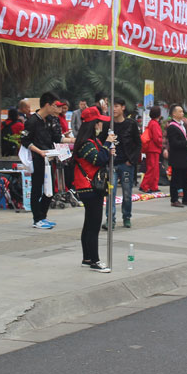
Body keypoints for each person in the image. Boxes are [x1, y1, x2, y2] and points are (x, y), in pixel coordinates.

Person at [72, 107, 114, 272]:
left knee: (89, 223)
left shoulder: (92, 141)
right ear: (93, 124)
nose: (100, 125)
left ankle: (87, 258)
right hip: (88, 187)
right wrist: (108, 144)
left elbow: (103, 157)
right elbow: (98, 159)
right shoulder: (86, 144)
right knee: (94, 225)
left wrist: (108, 149)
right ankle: (95, 261)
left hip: (89, 186)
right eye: (98, 122)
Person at [21, 93, 61, 230]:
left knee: (50, 189)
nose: (56, 108)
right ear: (47, 105)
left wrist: (71, 139)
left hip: (50, 159)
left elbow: (56, 138)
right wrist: (39, 151)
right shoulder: (32, 121)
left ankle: (43, 216)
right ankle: (37, 218)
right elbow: (25, 141)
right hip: (38, 159)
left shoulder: (50, 120)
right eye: (54, 105)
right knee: (37, 189)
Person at [99, 98, 140, 229]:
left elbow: (138, 144)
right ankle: (110, 219)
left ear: (123, 107)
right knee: (110, 193)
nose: (114, 109)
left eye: (116, 106)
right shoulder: (108, 125)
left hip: (126, 164)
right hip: (111, 164)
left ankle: (126, 216)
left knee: (127, 194)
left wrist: (131, 160)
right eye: (112, 106)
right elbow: (100, 141)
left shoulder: (131, 124)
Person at [166, 105, 187, 207]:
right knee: (176, 179)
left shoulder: (182, 124)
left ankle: (186, 198)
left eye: (182, 111)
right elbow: (174, 143)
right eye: (180, 112)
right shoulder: (172, 127)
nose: (182, 113)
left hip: (185, 157)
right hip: (177, 157)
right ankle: (174, 199)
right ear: (174, 113)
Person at [140, 106, 164, 193]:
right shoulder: (155, 124)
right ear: (159, 114)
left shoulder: (152, 123)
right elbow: (157, 138)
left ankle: (153, 186)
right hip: (153, 149)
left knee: (154, 168)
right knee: (152, 168)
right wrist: (161, 144)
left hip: (152, 149)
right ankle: (145, 186)